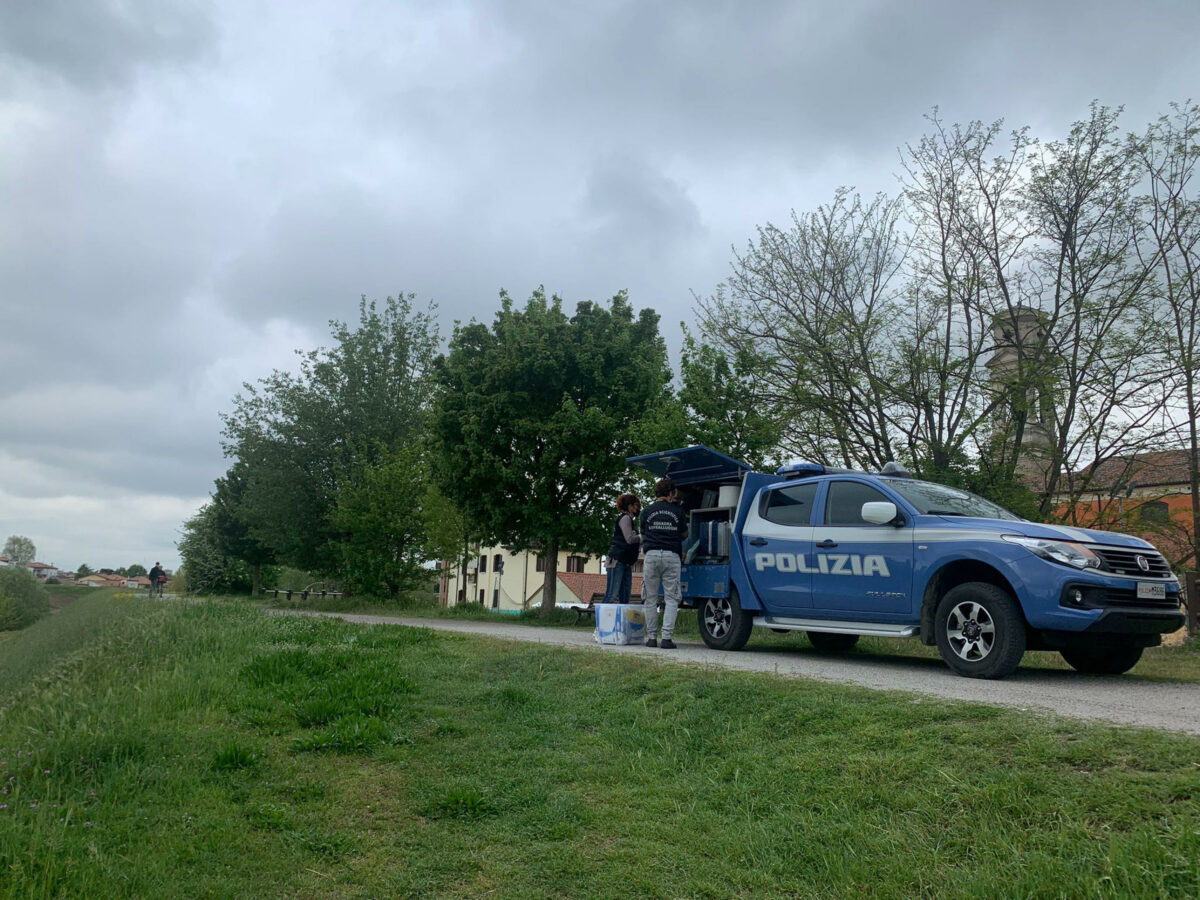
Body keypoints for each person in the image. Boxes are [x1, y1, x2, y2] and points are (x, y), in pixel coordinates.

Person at [640, 477, 687, 649]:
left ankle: (652, 638)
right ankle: (666, 638)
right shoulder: (678, 512)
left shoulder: (646, 511)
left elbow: (643, 533)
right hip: (671, 555)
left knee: (650, 598)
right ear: (671, 493)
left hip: (651, 555)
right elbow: (685, 534)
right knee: (672, 598)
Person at [603, 493, 641, 604]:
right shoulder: (625, 518)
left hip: (625, 561)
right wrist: (642, 537)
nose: (638, 508)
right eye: (637, 505)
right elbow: (629, 539)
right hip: (618, 560)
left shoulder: (627, 519)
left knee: (624, 596)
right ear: (630, 506)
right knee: (612, 595)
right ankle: (602, 614)